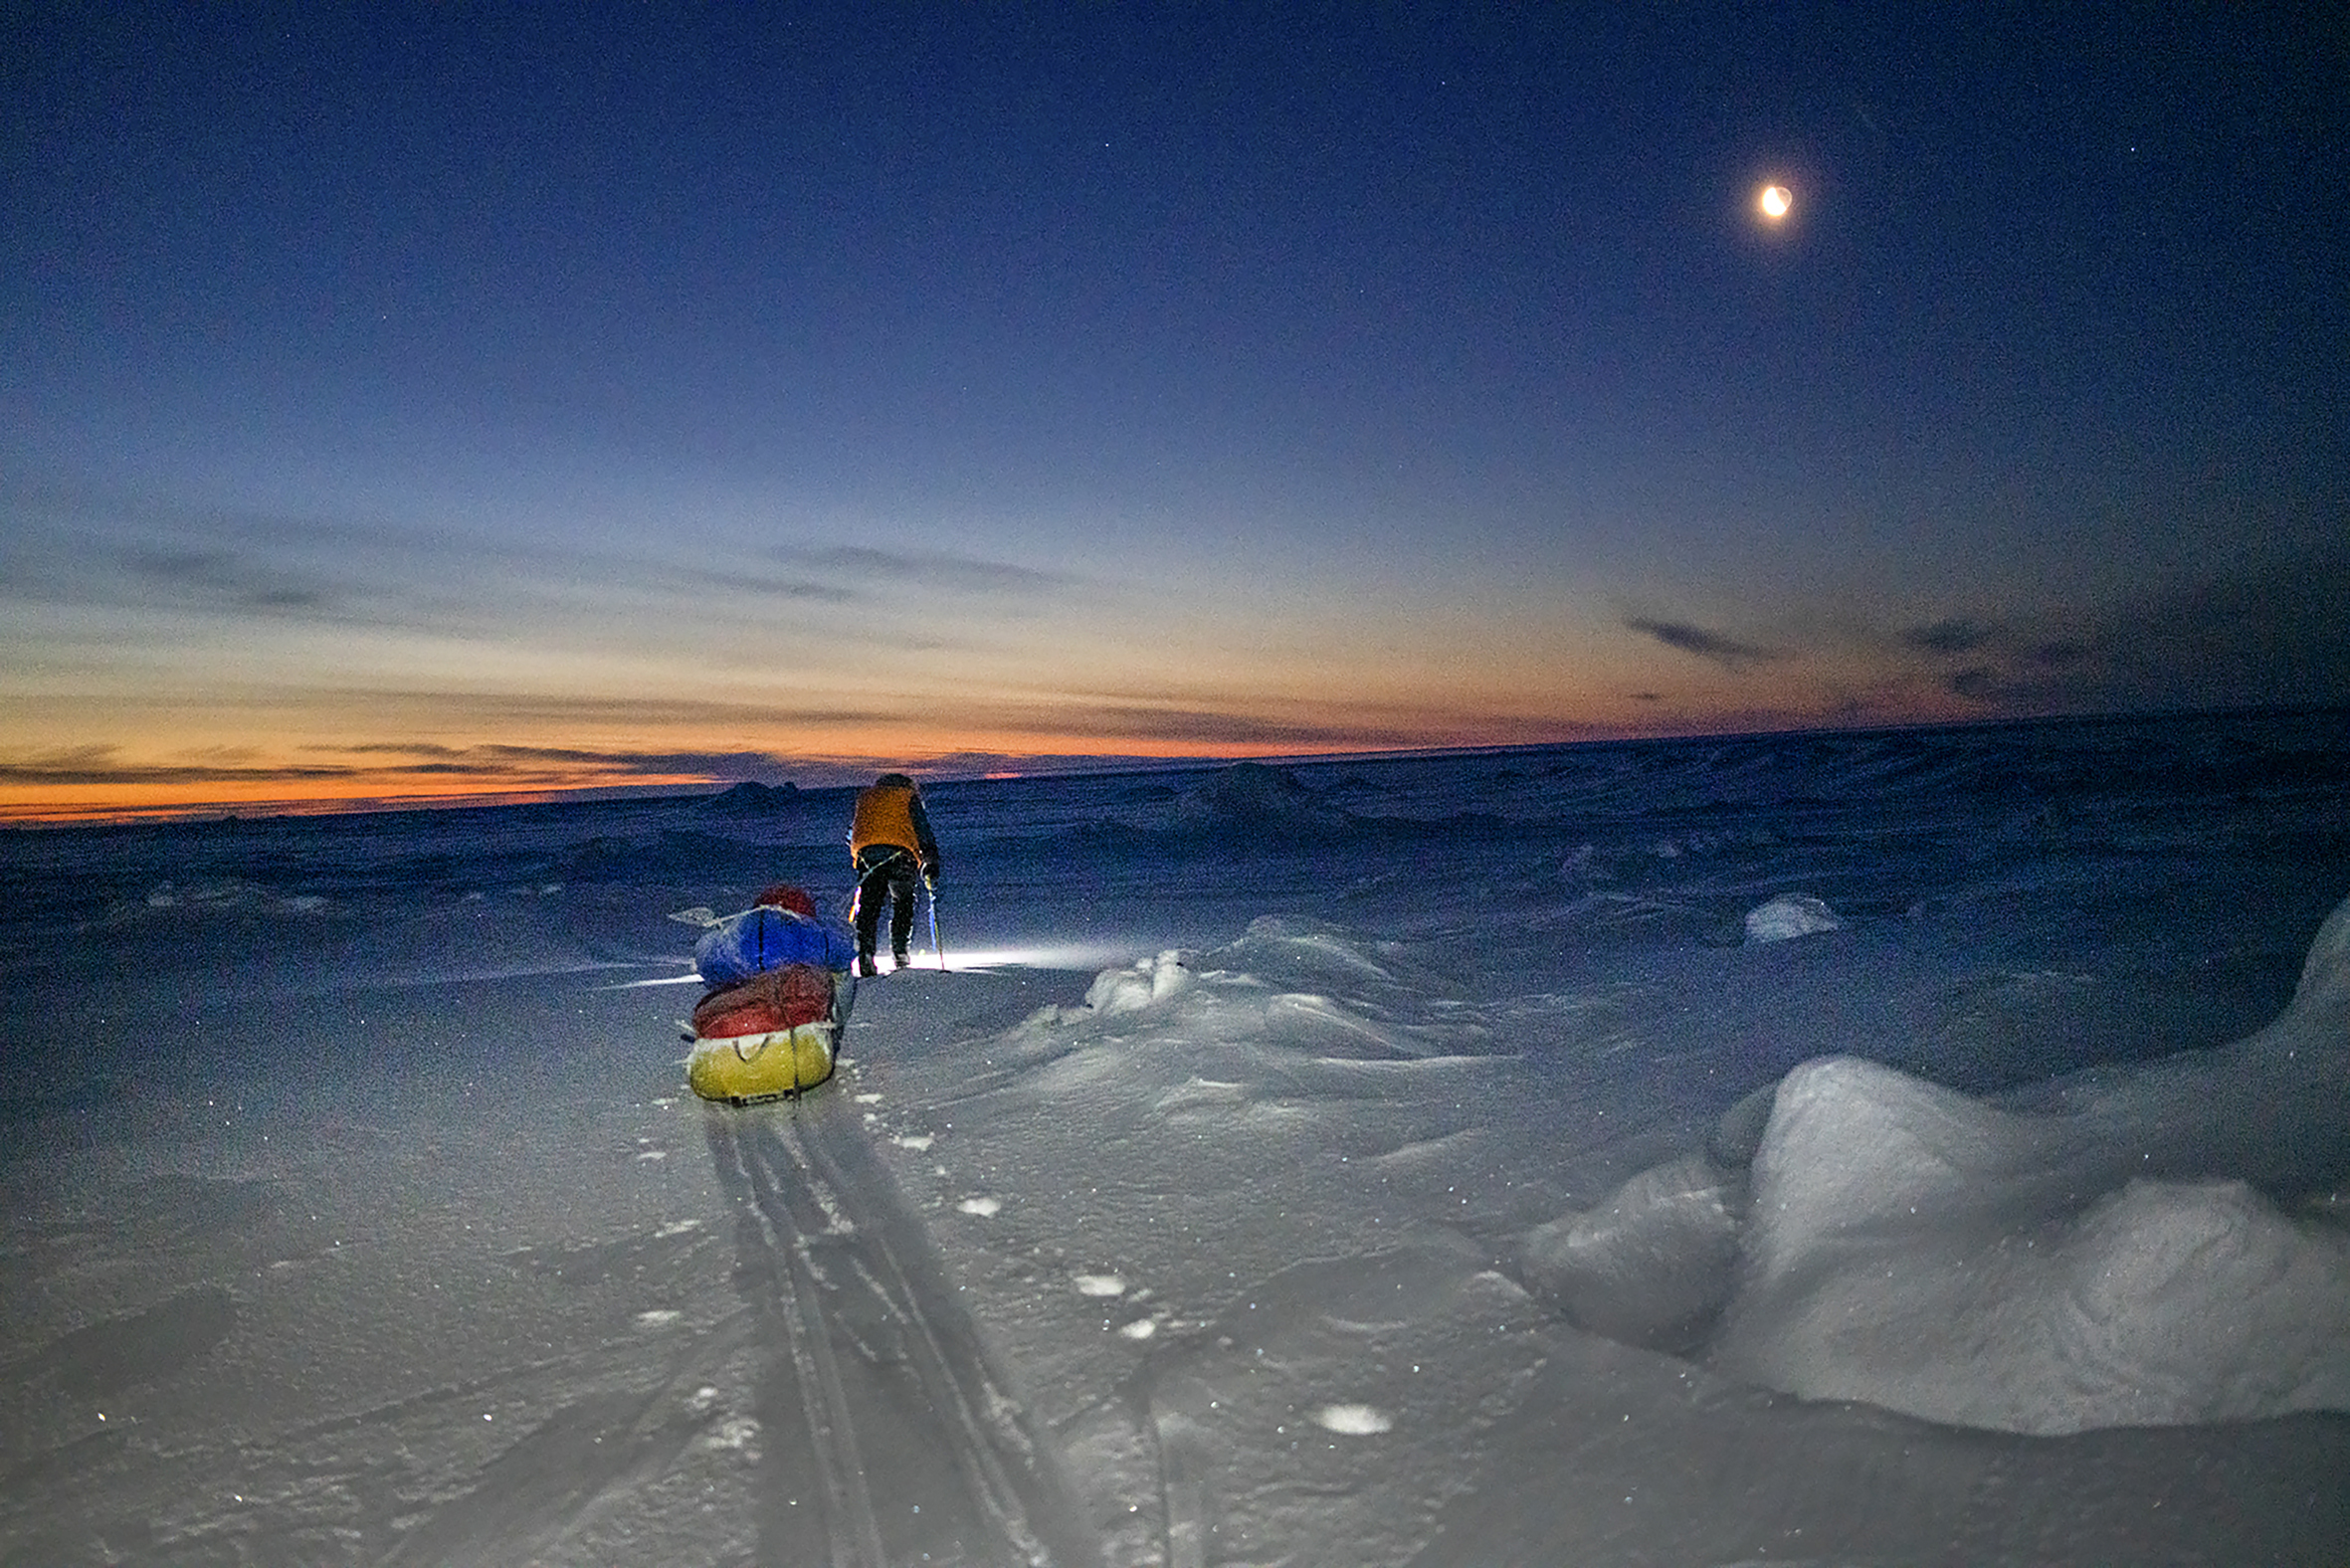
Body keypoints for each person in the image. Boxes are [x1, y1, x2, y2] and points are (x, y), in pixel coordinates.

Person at [848, 771, 939, 976]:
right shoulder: (907, 797)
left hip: (867, 855)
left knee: (869, 907)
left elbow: (856, 829)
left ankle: (865, 953)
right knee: (902, 903)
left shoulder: (866, 797)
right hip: (900, 855)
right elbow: (922, 828)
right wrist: (931, 858)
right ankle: (900, 952)